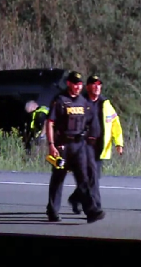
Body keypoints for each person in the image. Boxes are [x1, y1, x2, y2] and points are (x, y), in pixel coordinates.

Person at [45, 71, 105, 223]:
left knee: (83, 180)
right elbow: (50, 123)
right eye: (75, 84)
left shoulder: (83, 101)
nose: (78, 87)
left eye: (80, 84)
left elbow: (91, 120)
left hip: (79, 147)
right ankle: (52, 211)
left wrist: (91, 137)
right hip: (62, 146)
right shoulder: (60, 100)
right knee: (58, 179)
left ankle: (91, 212)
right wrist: (51, 145)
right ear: (68, 84)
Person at [68, 74, 124, 213]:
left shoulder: (106, 104)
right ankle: (95, 207)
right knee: (92, 178)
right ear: (88, 87)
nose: (97, 87)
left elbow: (115, 123)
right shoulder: (81, 101)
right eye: (94, 84)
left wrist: (119, 143)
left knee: (93, 177)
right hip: (84, 146)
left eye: (99, 84)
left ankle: (76, 198)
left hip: (100, 147)